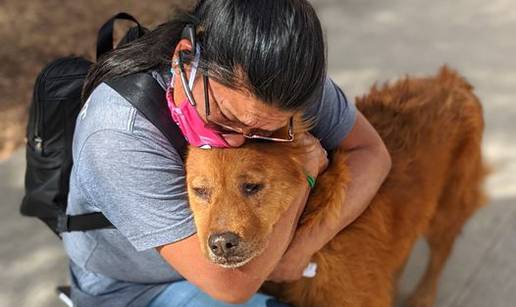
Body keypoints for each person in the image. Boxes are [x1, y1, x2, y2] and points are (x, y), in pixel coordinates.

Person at [64, 0, 392, 306]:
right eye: (227, 116)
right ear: (185, 59)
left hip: (253, 256)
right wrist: (304, 171)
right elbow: (230, 286)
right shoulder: (118, 134)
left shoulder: (287, 87)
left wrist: (301, 249)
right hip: (134, 287)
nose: (237, 142)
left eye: (265, 130)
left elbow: (371, 152)